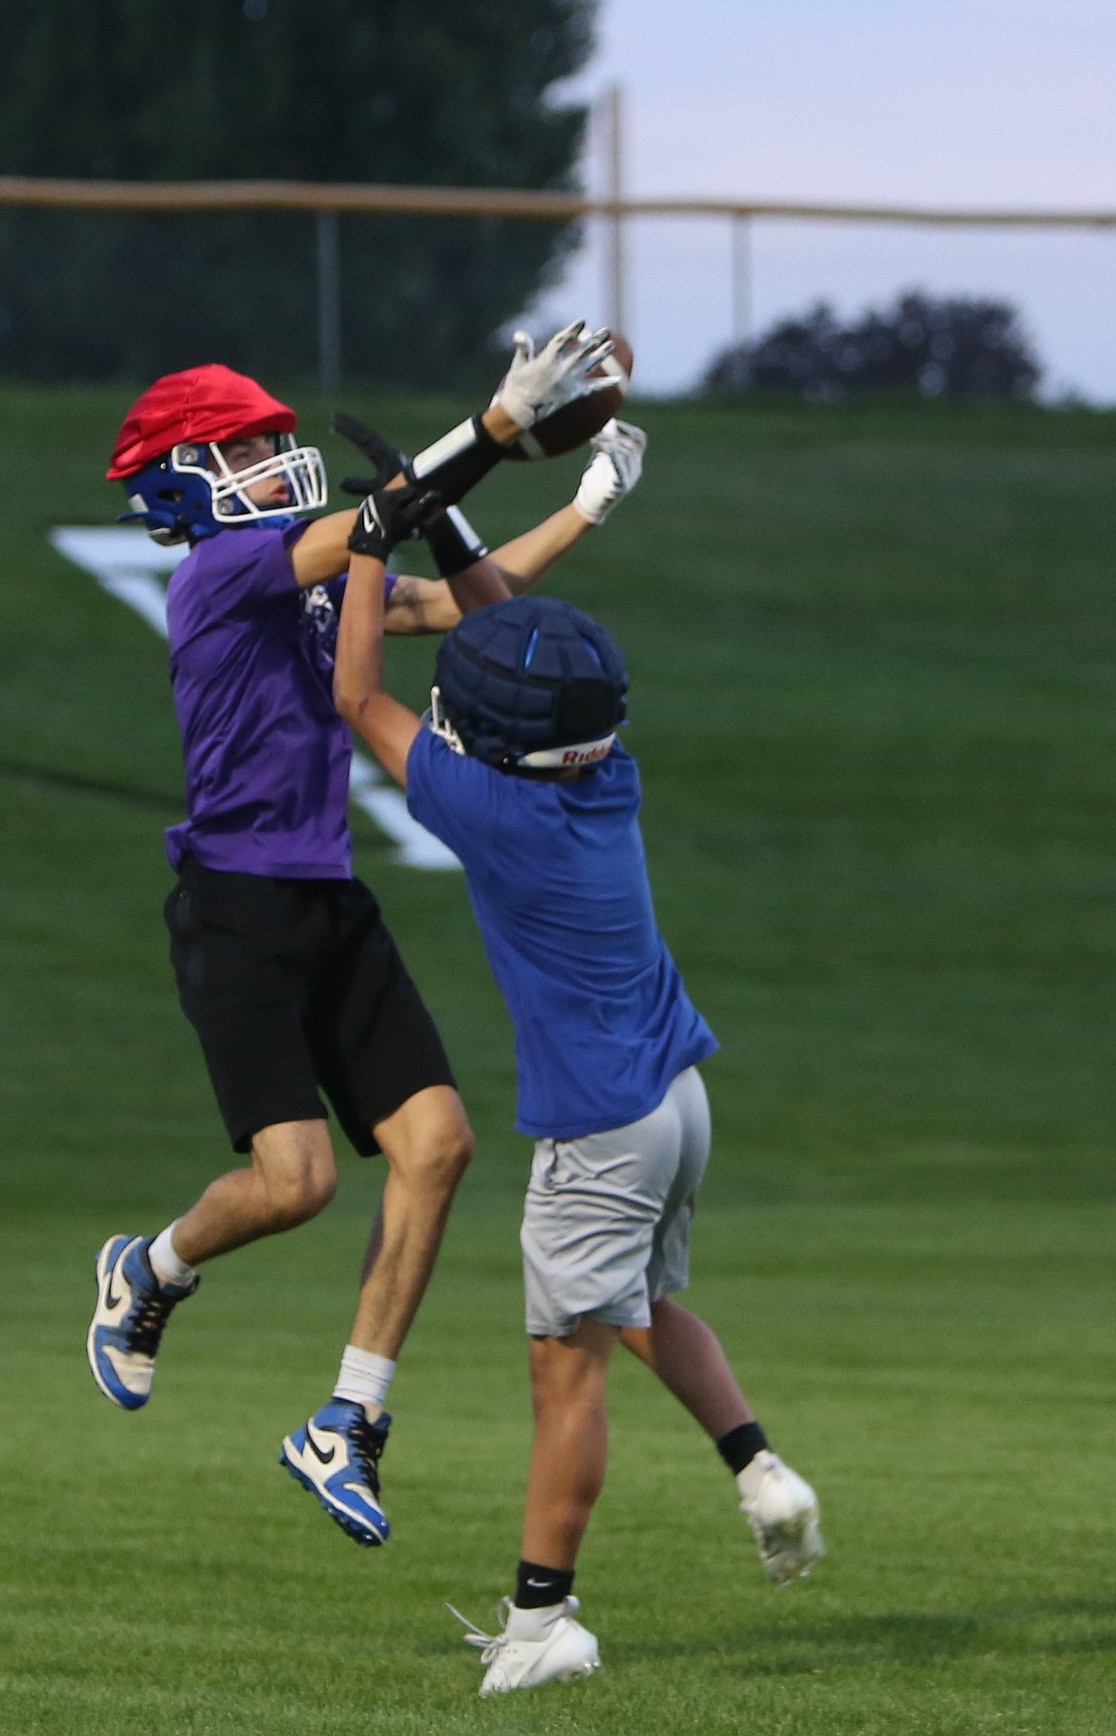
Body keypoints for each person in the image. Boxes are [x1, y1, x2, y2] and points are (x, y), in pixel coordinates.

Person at [87, 328, 643, 1553]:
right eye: (247, 442)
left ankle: (350, 1415)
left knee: (437, 1142)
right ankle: (149, 1267)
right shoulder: (222, 572)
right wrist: (493, 427)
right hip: (236, 904)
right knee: (299, 1183)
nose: (277, 455)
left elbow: (448, 599)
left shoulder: (316, 563)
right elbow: (384, 514)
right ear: (186, 472)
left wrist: (585, 505)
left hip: (330, 898)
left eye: (278, 438)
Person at [332, 518, 826, 1693]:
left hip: (601, 1126)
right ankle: (761, 1469)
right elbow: (517, 644)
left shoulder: (485, 808)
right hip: (674, 1098)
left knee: (569, 1373)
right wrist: (444, 518)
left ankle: (543, 1620)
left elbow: (355, 693)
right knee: (641, 1301)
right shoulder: (607, 773)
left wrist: (364, 543)